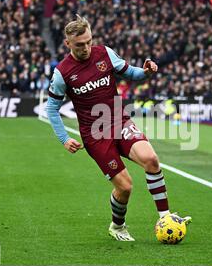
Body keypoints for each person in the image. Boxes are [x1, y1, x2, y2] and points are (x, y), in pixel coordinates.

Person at [46, 15, 191, 242]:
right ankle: (117, 225)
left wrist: (146, 72)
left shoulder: (104, 53)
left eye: (88, 42)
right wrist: (64, 138)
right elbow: (52, 109)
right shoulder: (62, 73)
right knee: (125, 187)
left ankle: (165, 217)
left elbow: (131, 73)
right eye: (79, 44)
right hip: (95, 136)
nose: (85, 48)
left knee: (151, 159)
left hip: (119, 121)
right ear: (67, 44)